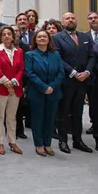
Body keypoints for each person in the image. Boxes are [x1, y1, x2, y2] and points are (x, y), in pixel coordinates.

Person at [52, 13, 94, 154]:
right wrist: (74, 73)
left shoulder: (85, 37)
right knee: (64, 112)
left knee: (78, 111)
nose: (70, 20)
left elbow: (92, 56)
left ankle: (78, 140)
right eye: (67, 18)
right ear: (62, 22)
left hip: (82, 81)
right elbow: (58, 58)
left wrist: (87, 72)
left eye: (73, 18)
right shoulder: (57, 38)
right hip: (67, 80)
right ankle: (63, 141)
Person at [25, 29, 65, 157]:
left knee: (50, 119)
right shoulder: (30, 55)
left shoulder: (56, 55)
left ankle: (48, 144)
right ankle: (39, 145)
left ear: (49, 39)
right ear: (35, 40)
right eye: (39, 37)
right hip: (37, 92)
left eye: (45, 37)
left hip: (53, 92)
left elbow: (61, 72)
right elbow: (29, 73)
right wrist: (43, 87)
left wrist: (51, 87)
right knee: (38, 120)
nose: (42, 39)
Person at [0, 26, 24, 155]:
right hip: (0, 87)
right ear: (0, 37)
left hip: (15, 87)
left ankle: (12, 141)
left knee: (11, 116)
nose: (7, 36)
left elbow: (21, 69)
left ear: (13, 36)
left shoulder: (19, 51)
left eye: (9, 34)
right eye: (4, 34)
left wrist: (14, 82)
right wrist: (6, 82)